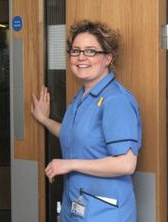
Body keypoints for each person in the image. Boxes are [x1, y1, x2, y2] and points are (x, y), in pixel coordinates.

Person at [31, 20, 142, 221]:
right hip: (75, 208)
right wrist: (44, 120)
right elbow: (75, 134)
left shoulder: (116, 100)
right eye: (76, 51)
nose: (81, 57)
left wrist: (70, 164)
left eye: (91, 51)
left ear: (108, 58)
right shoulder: (82, 96)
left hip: (105, 213)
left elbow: (126, 164)